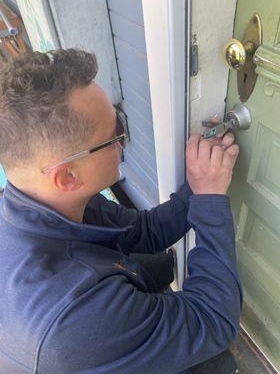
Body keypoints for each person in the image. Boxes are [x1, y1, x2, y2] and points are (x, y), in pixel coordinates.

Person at [0, 49, 242, 374]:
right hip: (77, 345)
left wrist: (199, 184)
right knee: (216, 363)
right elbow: (213, 319)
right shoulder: (76, 317)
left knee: (157, 265)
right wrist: (211, 198)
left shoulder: (46, 200)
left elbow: (144, 231)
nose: (123, 139)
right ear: (67, 177)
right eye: (114, 134)